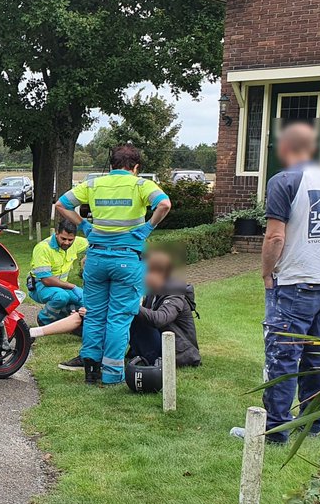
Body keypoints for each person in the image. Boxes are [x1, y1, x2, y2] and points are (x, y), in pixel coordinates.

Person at [231, 122, 320, 445]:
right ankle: (314, 421)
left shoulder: (284, 181)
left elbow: (275, 235)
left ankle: (276, 428)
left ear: (285, 148)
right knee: (317, 355)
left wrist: (267, 272)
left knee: (282, 355)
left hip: (294, 284)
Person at [54, 144, 172, 385]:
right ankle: (111, 375)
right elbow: (164, 204)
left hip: (96, 259)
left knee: (95, 314)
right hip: (126, 259)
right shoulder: (141, 185)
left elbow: (61, 204)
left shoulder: (93, 184)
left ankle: (90, 370)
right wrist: (147, 228)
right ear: (136, 167)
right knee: (118, 317)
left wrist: (85, 226)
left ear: (112, 165)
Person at [127, 251, 201, 368]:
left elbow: (160, 319)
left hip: (179, 353)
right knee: (131, 315)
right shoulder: (153, 290)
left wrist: (131, 305)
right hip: (162, 345)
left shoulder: (175, 293)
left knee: (137, 316)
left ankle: (147, 357)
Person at [29, 220, 89, 326]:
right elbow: (46, 280)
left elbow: (96, 244)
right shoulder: (43, 248)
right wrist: (73, 287)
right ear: (56, 233)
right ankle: (43, 320)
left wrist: (87, 256)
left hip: (61, 286)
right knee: (61, 297)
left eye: (70, 240)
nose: (66, 242)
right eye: (63, 238)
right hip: (40, 286)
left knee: (86, 300)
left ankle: (64, 317)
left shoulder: (78, 242)